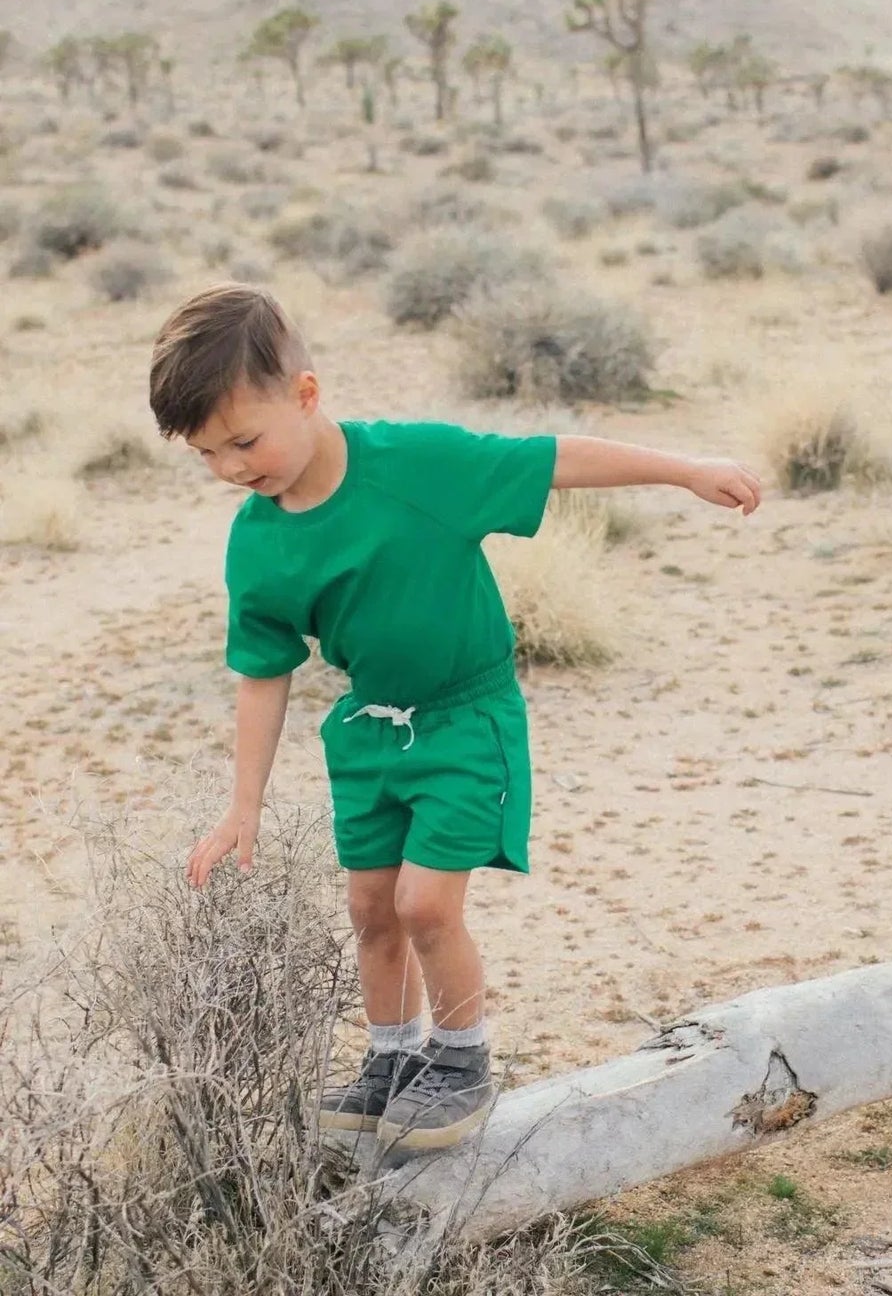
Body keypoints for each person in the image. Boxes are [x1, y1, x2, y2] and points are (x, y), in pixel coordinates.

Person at [149, 283, 761, 1150]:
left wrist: (686, 469)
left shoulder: (418, 463)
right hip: (368, 732)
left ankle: (461, 1061)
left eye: (244, 441)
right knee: (370, 909)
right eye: (208, 455)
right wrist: (241, 804)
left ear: (308, 394)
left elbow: (551, 458)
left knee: (427, 905)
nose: (233, 469)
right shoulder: (257, 538)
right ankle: (393, 1062)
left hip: (466, 717)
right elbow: (263, 673)